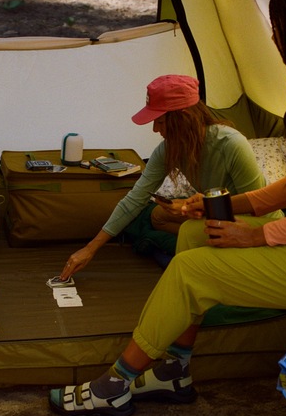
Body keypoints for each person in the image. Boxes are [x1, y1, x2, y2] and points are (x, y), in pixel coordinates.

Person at [50, 0, 286, 416]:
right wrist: (225, 209)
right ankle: (176, 370)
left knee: (188, 271)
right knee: (195, 232)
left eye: (277, 28)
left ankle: (114, 383)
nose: (273, 39)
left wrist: (255, 239)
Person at [59, 73, 265, 280]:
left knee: (188, 231)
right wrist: (90, 248)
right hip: (211, 212)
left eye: (160, 122)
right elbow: (135, 198)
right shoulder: (169, 149)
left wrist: (198, 207)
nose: (155, 129)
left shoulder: (231, 144)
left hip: (248, 220)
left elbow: (258, 204)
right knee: (157, 215)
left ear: (183, 117)